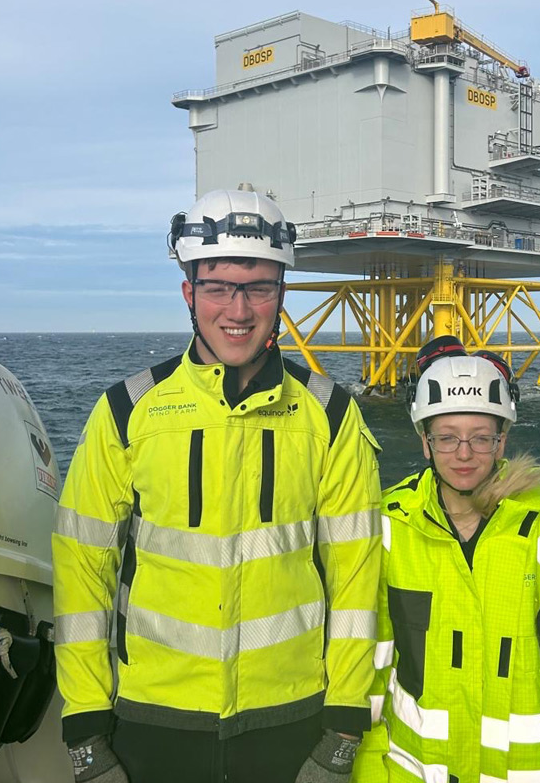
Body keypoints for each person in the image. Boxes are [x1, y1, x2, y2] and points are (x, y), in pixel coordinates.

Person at [53, 189, 383, 783]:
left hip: (292, 718)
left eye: (258, 287)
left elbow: (356, 579)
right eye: (218, 286)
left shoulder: (330, 416)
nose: (239, 308)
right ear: (189, 293)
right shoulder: (127, 411)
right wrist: (84, 725)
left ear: (281, 294)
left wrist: (343, 727)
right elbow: (83, 576)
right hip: (152, 720)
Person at [352, 337, 540, 783]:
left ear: (501, 442)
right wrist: (365, 767)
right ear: (424, 443)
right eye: (447, 438)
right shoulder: (389, 531)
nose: (463, 454)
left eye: (480, 438)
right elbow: (367, 667)